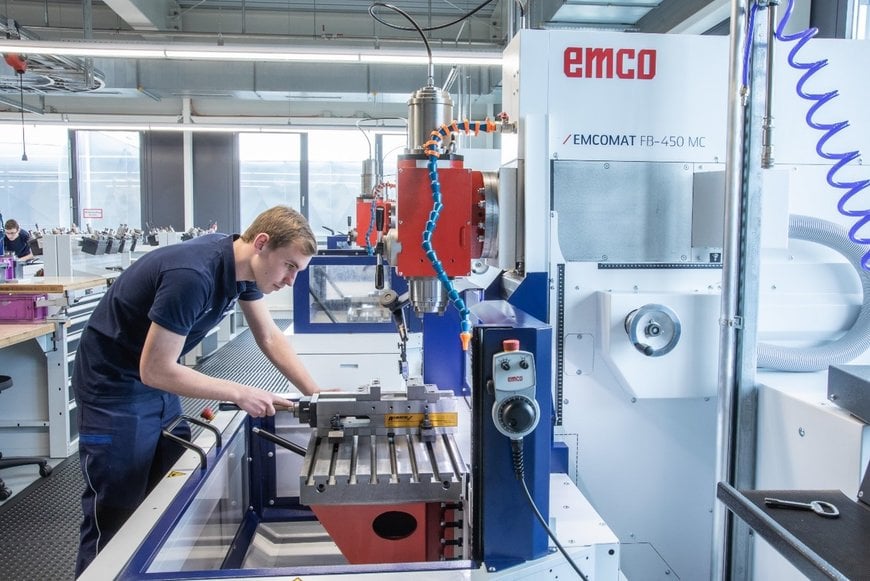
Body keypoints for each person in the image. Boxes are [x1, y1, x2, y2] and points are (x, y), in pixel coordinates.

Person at [72, 205, 322, 576]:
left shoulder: (242, 269)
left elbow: (269, 337)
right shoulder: (193, 275)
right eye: (290, 267)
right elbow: (156, 368)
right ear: (262, 244)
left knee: (164, 498)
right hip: (114, 391)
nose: (290, 281)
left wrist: (318, 397)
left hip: (155, 386)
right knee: (117, 514)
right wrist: (240, 392)